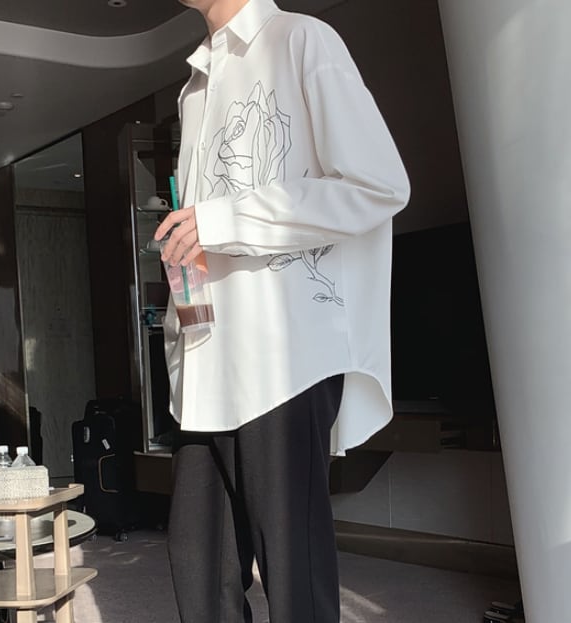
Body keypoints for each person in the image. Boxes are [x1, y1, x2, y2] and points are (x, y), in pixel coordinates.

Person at [154, 0, 410, 621]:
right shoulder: (195, 86)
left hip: (283, 362)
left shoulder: (302, 40)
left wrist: (222, 221)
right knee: (199, 574)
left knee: (296, 582)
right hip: (206, 360)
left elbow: (378, 184)